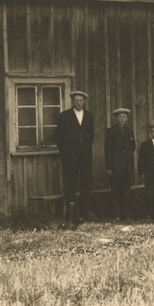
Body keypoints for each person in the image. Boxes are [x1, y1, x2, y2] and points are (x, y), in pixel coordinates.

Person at [56, 90, 95, 224]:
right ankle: (70, 216)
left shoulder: (89, 116)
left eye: (81, 100)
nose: (78, 103)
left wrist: (84, 149)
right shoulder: (65, 116)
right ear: (73, 101)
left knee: (86, 185)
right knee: (70, 185)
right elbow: (59, 138)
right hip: (70, 158)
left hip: (85, 157)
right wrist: (67, 152)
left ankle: (84, 214)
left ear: (84, 101)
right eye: (76, 100)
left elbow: (91, 137)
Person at [104, 107, 136, 221]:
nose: (122, 119)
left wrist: (127, 158)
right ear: (116, 118)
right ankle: (117, 215)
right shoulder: (111, 131)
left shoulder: (129, 130)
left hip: (127, 166)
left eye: (124, 117)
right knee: (116, 191)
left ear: (127, 118)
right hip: (115, 166)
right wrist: (109, 167)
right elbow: (107, 150)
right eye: (120, 117)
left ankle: (125, 214)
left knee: (126, 191)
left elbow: (133, 147)